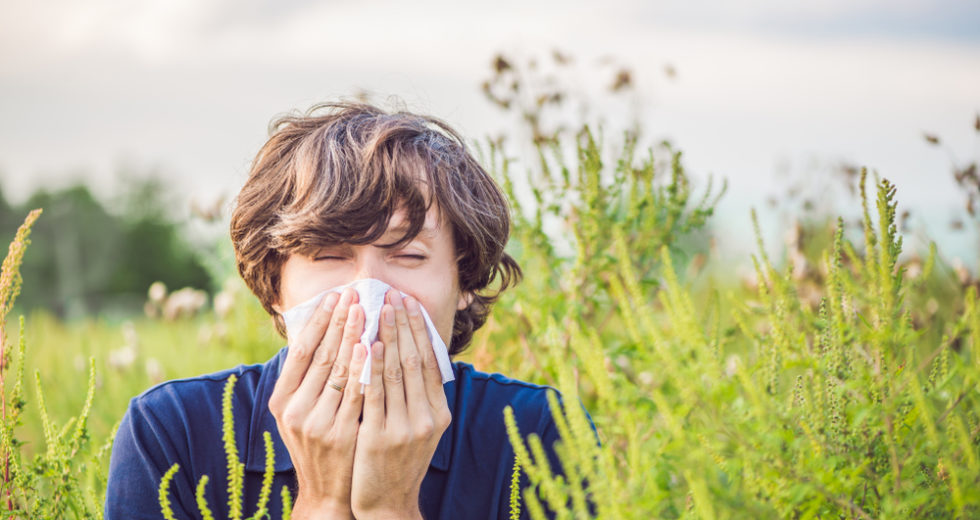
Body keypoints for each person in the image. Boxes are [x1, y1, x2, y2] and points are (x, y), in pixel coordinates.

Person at [105, 102, 589, 519]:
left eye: (408, 256)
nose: (368, 292)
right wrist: (323, 502)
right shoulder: (173, 434)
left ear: (464, 282)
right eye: (330, 256)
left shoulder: (538, 435)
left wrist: (390, 508)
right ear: (274, 284)